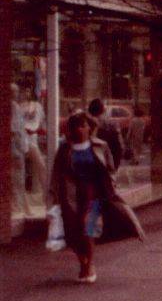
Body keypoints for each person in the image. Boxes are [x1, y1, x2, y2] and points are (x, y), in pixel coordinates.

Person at [49, 111, 142, 282]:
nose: (80, 129)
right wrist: (53, 198)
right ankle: (82, 260)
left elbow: (109, 168)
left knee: (89, 229)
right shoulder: (64, 149)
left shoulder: (100, 146)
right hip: (71, 195)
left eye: (83, 126)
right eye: (76, 126)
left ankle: (89, 265)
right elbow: (56, 174)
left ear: (89, 128)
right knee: (74, 233)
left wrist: (111, 187)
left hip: (93, 193)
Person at [88, 97, 127, 164]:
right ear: (103, 109)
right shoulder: (112, 124)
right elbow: (120, 146)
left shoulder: (86, 123)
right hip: (109, 160)